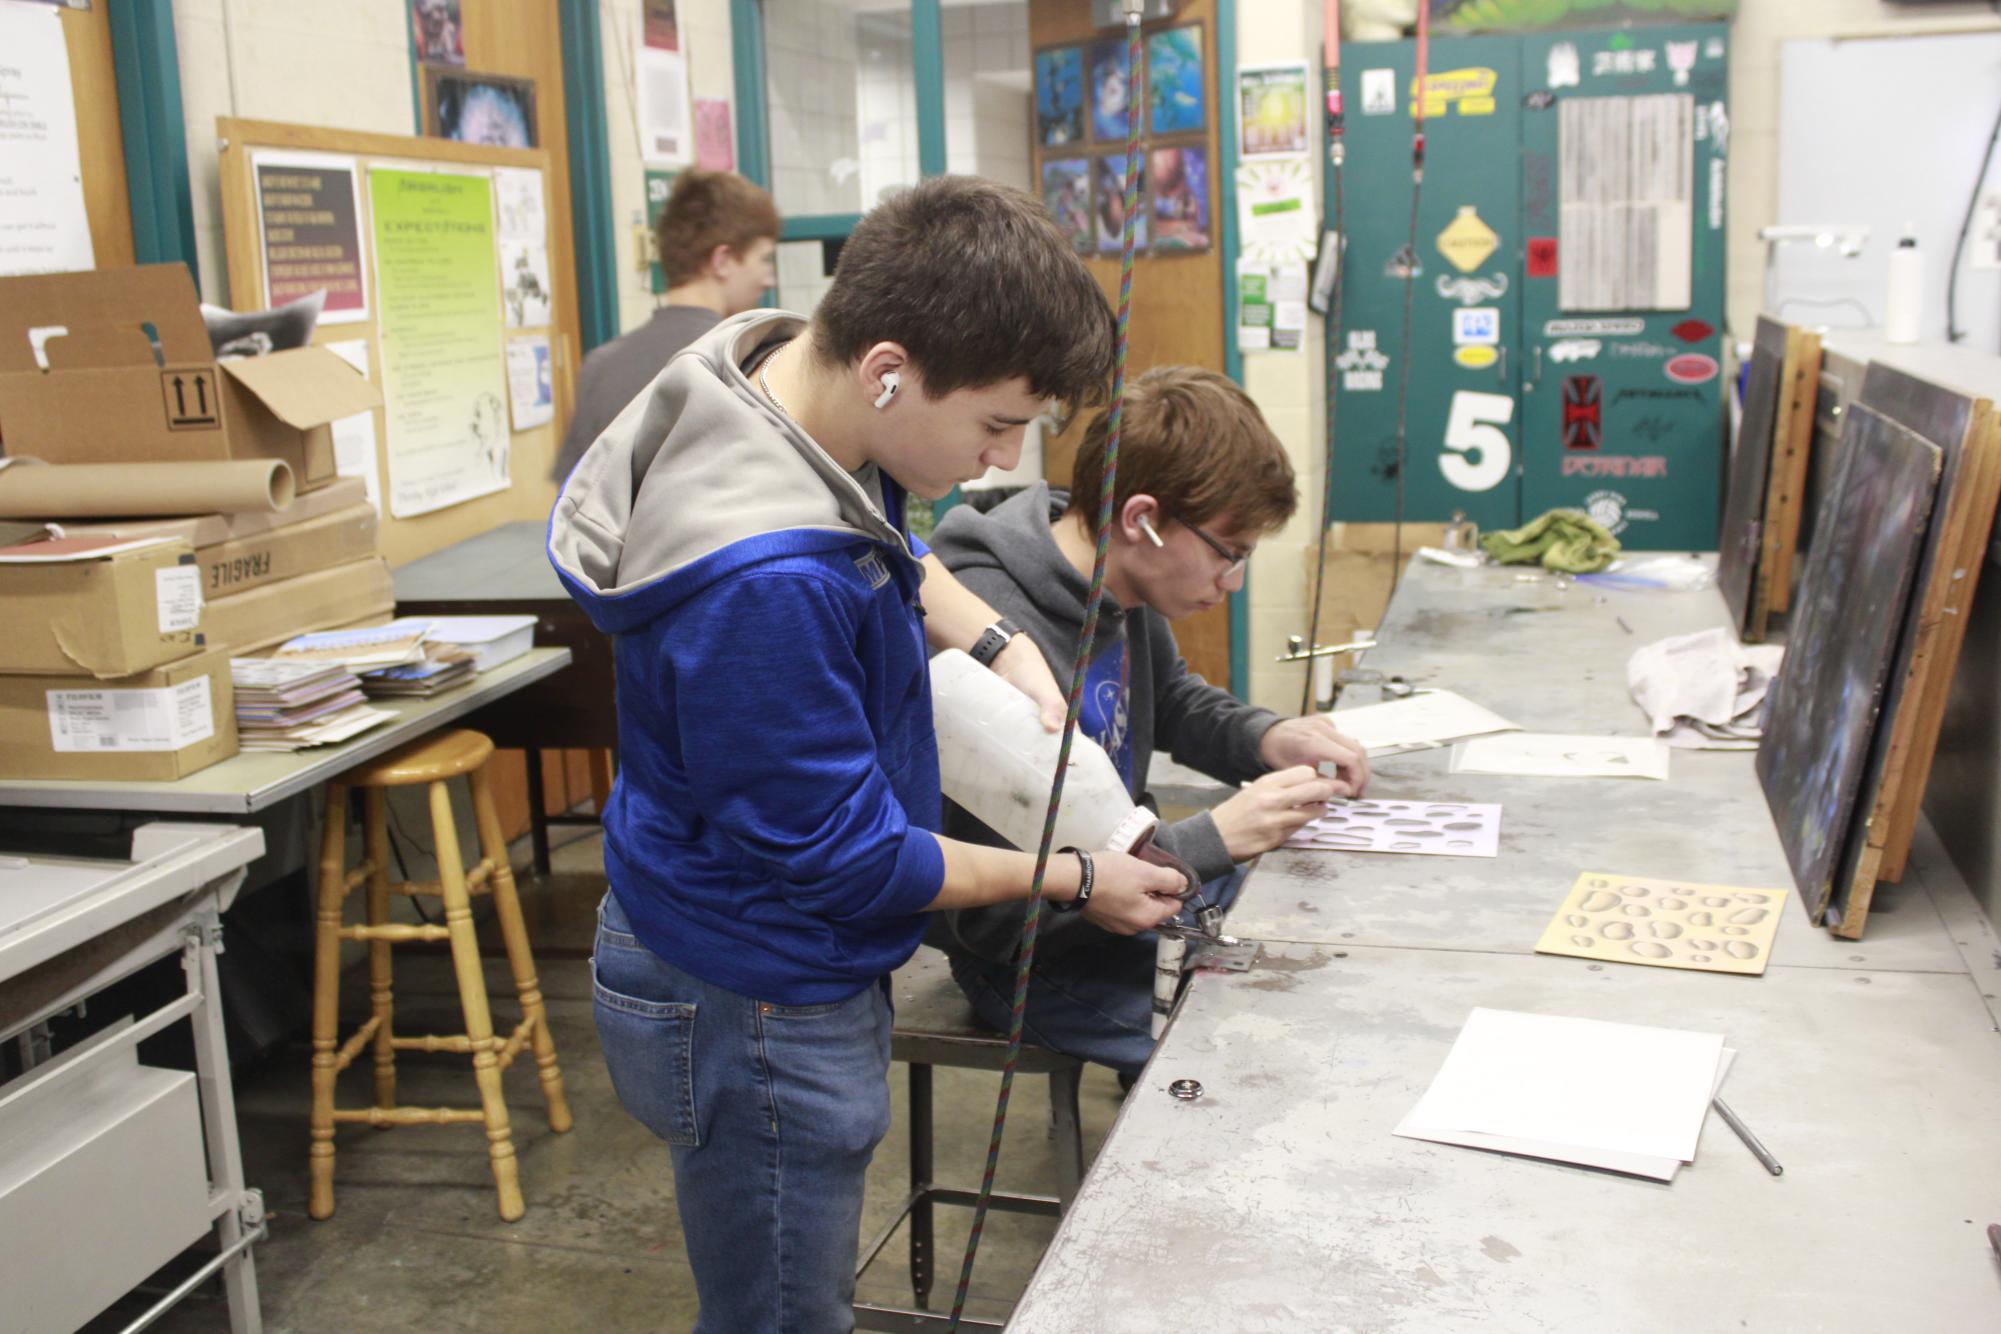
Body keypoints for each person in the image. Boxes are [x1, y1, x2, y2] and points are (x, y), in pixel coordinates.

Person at [547, 177, 1190, 1332]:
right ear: (890, 365)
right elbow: (852, 862)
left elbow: (876, 530)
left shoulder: (789, 373)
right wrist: (1077, 879)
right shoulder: (764, 588)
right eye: (995, 424)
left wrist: (997, 641)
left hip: (733, 915)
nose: (1001, 460)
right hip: (751, 986)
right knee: (785, 1313)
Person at [928, 366, 1372, 1078]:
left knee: (1322, 939)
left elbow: (1166, 699)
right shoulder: (989, 629)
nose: (1232, 584)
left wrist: (1264, 737)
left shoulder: (1118, 587)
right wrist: (1205, 840)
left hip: (1139, 900)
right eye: (1229, 554)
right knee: (1265, 1052)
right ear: (1140, 520)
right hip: (1034, 961)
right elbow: (999, 920)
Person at [549, 169, 781, 482]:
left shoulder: (600, 367)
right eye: (764, 260)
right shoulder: (749, 363)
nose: (769, 279)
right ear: (723, 260)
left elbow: (573, 501)